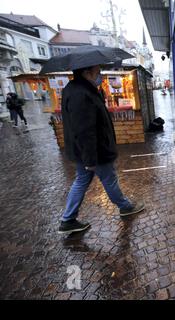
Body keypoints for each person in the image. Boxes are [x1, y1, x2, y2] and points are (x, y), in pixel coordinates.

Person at [59, 65, 145, 235]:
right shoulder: (81, 94)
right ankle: (125, 206)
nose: (100, 75)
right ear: (86, 72)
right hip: (95, 151)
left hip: (85, 150)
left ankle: (68, 220)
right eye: (97, 72)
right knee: (109, 178)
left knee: (82, 180)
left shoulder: (79, 89)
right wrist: (90, 159)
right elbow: (85, 130)